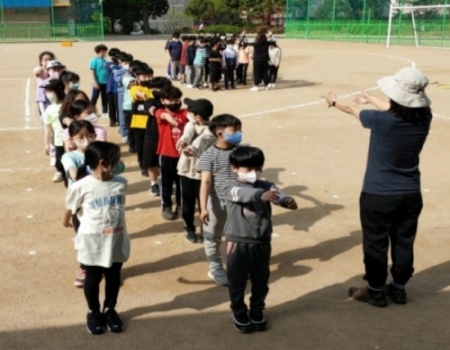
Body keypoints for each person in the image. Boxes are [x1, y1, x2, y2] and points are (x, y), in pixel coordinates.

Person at [322, 67, 432, 307]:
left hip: (379, 193)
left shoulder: (381, 121)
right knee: (404, 241)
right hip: (410, 193)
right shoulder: (424, 117)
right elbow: (397, 109)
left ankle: (375, 289)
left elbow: (352, 110)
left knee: (375, 242)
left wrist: (334, 102)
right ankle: (399, 288)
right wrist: (371, 98)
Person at [223, 146, 298, 333]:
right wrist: (259, 195)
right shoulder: (229, 186)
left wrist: (287, 200)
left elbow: (277, 193)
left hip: (262, 243)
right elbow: (239, 194)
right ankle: (238, 311)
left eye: (257, 169)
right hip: (237, 243)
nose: (253, 173)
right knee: (237, 281)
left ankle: (257, 310)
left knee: (261, 281)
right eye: (248, 169)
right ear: (234, 168)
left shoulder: (266, 185)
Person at [63, 141, 130, 335]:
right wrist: (66, 222)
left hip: (116, 240)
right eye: (115, 160)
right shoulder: (81, 186)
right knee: (92, 278)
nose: (118, 163)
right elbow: (70, 209)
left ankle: (109, 309)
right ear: (103, 162)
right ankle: (93, 311)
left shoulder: (121, 182)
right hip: (92, 242)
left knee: (113, 276)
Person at [197, 114, 242, 286]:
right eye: (234, 130)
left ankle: (236, 265)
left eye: (239, 129)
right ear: (220, 134)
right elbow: (206, 182)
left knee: (236, 235)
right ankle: (215, 267)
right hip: (216, 202)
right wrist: (203, 208)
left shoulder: (241, 152)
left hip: (238, 202)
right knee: (212, 236)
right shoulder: (209, 155)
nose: (238, 133)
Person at [176, 98, 215, 243]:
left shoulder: (212, 130)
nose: (188, 112)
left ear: (198, 115)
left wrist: (191, 148)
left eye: (191, 110)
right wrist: (183, 141)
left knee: (205, 203)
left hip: (202, 174)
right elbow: (188, 132)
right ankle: (189, 228)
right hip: (186, 170)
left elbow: (203, 140)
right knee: (187, 203)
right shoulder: (191, 124)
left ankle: (206, 230)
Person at [155, 86, 188, 220]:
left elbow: (191, 115)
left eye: (177, 100)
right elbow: (161, 114)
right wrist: (169, 117)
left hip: (183, 155)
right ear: (163, 100)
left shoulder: (185, 112)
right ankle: (166, 206)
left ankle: (180, 205)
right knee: (166, 182)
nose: (174, 103)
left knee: (181, 182)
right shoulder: (160, 112)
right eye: (170, 100)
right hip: (166, 153)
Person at [143, 77, 172, 196]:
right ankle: (154, 183)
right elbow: (151, 109)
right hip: (152, 135)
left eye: (158, 88)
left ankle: (166, 183)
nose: (155, 90)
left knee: (168, 161)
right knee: (151, 161)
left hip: (169, 135)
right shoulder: (150, 101)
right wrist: (161, 114)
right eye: (153, 88)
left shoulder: (172, 101)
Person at [129, 64, 154, 175]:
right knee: (141, 146)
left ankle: (150, 164)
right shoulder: (135, 87)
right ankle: (143, 164)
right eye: (145, 77)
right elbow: (138, 94)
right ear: (137, 76)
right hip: (138, 123)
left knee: (151, 146)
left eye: (150, 76)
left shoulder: (154, 87)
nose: (148, 79)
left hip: (152, 123)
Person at [43, 79, 66, 183]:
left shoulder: (68, 105)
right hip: (59, 140)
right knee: (59, 158)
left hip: (72, 138)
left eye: (49, 91)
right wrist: (46, 144)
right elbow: (47, 128)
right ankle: (60, 172)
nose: (47, 94)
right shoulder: (49, 109)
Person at [89, 44, 109, 117]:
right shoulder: (94, 60)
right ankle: (91, 111)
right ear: (101, 51)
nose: (105, 53)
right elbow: (92, 71)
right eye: (105, 51)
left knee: (105, 98)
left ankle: (105, 112)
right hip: (97, 82)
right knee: (94, 97)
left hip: (105, 82)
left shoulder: (105, 60)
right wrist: (94, 81)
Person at [106, 48, 121, 126]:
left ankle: (119, 119)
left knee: (118, 104)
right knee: (111, 105)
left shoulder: (120, 64)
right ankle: (112, 120)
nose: (113, 57)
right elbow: (113, 69)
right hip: (110, 87)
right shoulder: (108, 64)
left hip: (117, 88)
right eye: (112, 56)